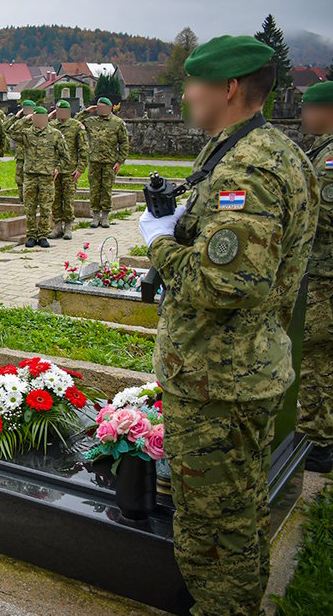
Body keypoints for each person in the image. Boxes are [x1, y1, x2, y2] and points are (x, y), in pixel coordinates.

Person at [138, 35, 318, 615]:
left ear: (229, 88)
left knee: (216, 532)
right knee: (237, 515)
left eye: (194, 83)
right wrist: (186, 220)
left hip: (222, 378)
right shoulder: (247, 149)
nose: (186, 94)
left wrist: (161, 245)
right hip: (228, 371)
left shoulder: (253, 166)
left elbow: (226, 285)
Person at [296, 80, 333, 473]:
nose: (304, 114)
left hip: (324, 273)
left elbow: (320, 216)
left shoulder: (330, 158)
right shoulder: (322, 152)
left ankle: (316, 442)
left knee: (315, 357)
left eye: (309, 107)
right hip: (323, 270)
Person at [8, 107, 68, 248]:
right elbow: (10, 130)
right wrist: (25, 118)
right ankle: (31, 235)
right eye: (36, 118)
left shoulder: (55, 134)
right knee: (30, 207)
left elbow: (65, 156)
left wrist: (57, 168)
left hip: (47, 176)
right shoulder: (27, 134)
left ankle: (42, 235)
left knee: (46, 207)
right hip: (30, 175)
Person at [77, 97, 130, 228]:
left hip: (109, 162)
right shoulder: (91, 121)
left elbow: (124, 143)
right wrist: (87, 111)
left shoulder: (117, 123)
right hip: (94, 161)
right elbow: (74, 122)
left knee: (106, 189)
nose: (101, 110)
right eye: (99, 108)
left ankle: (105, 216)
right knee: (94, 189)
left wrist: (120, 161)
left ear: (110, 107)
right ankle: (95, 216)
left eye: (104, 107)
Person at [48, 101, 89, 240]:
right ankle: (57, 226)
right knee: (55, 199)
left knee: (68, 199)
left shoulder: (77, 126)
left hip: (70, 170)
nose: (61, 114)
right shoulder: (51, 126)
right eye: (58, 111)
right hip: (54, 171)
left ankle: (68, 227)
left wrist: (80, 168)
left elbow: (83, 149)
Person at [5, 99, 37, 202]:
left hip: (34, 156)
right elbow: (6, 128)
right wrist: (18, 116)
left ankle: (33, 201)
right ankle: (22, 200)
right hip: (21, 156)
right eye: (25, 109)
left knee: (33, 180)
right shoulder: (20, 122)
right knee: (19, 179)